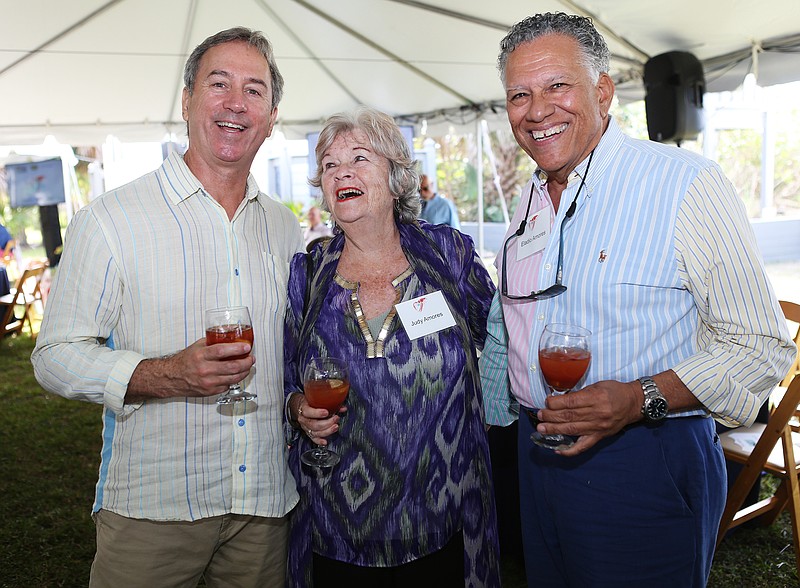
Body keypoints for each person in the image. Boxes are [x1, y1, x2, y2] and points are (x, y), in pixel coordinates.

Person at [479, 12, 796, 587]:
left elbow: (761, 346)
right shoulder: (528, 203)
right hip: (537, 452)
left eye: (557, 86)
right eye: (519, 94)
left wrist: (637, 398)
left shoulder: (683, 183)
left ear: (604, 92)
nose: (537, 109)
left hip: (645, 454)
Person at [31, 27, 303, 587]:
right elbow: (54, 356)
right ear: (186, 101)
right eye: (218, 84)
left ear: (272, 115)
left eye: (254, 91)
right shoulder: (111, 220)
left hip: (264, 506)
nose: (235, 103)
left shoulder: (284, 228)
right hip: (154, 511)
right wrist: (166, 375)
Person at [283, 105, 500, 587]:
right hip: (336, 523)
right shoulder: (307, 274)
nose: (342, 173)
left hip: (439, 518)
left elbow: (506, 340)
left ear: (398, 176)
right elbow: (280, 381)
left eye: (359, 158)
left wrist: (493, 411)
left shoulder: (449, 255)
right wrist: (297, 406)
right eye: (329, 166)